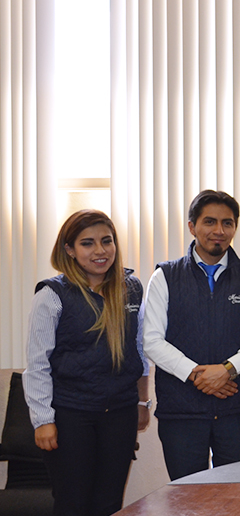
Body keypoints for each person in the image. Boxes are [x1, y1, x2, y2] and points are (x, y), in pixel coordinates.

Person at [23, 210, 149, 516]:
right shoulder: (52, 296)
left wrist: (143, 402)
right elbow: (37, 364)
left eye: (107, 241)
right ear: (69, 250)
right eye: (87, 243)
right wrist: (43, 420)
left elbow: (139, 352)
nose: (100, 251)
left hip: (120, 412)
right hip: (70, 415)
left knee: (108, 504)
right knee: (73, 503)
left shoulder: (131, 288)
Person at [143, 190, 240, 480]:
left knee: (234, 496)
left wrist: (227, 371)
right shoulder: (165, 276)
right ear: (192, 227)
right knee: (187, 498)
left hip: (238, 406)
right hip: (182, 409)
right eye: (209, 222)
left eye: (227, 223)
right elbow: (151, 340)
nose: (219, 230)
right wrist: (197, 375)